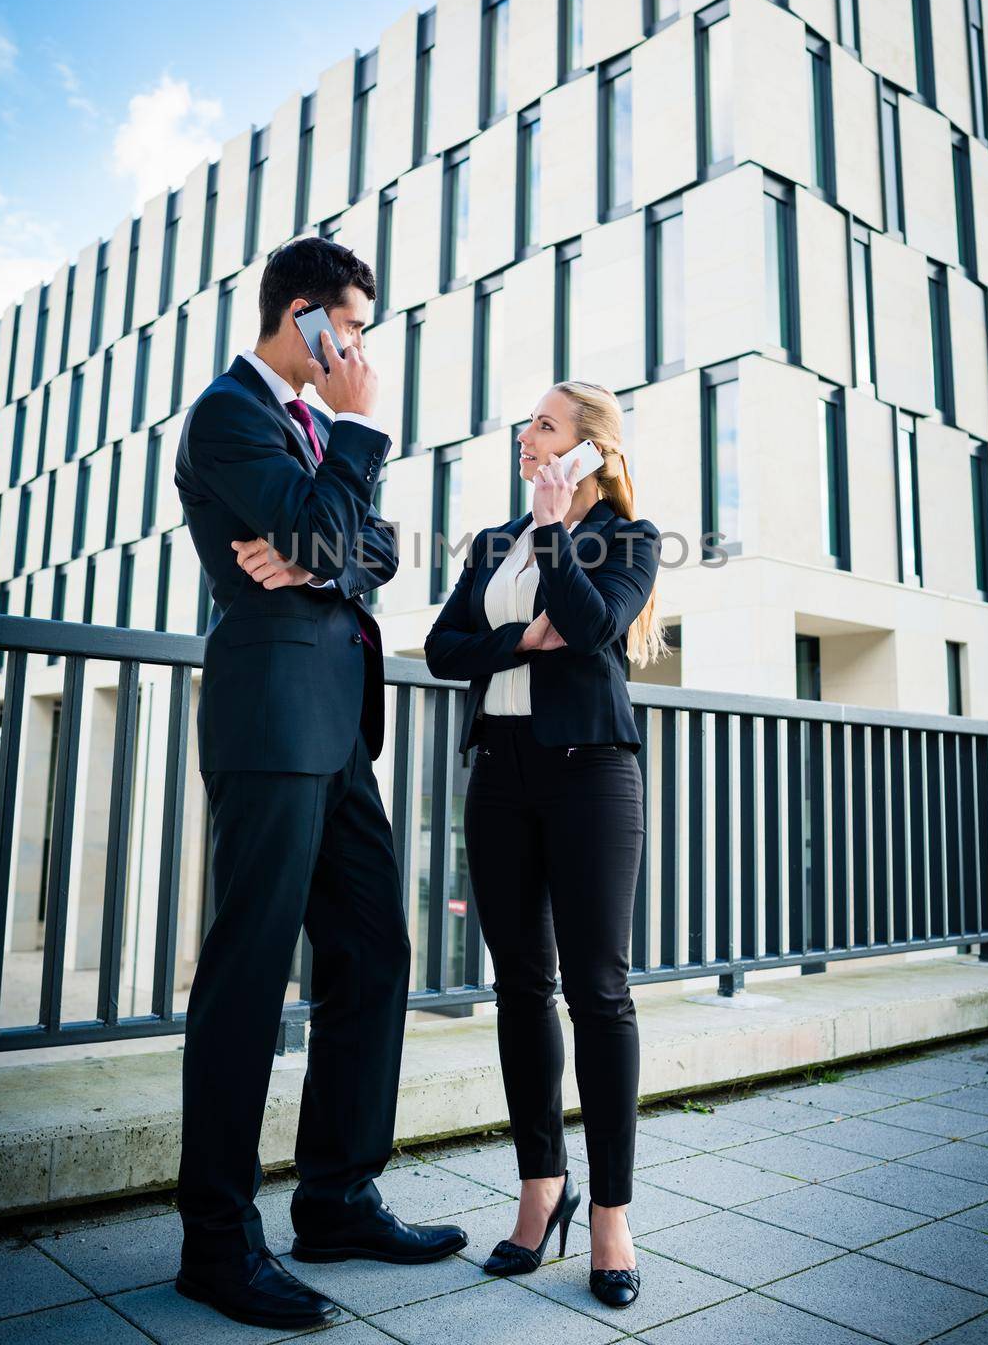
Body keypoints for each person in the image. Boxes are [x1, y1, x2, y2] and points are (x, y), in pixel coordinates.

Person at [173, 236, 466, 1333]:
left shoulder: (298, 430)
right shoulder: (229, 415)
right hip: (269, 719)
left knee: (373, 951)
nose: (356, 349)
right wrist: (351, 448)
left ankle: (337, 1197)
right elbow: (325, 523)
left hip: (340, 726)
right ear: (304, 317)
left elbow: (369, 544)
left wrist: (323, 545)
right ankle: (217, 1241)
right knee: (249, 972)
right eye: (348, 326)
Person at [423, 380, 666, 1311]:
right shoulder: (492, 545)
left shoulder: (628, 542)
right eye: (528, 424)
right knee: (519, 985)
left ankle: (610, 1213)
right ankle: (540, 1191)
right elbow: (445, 648)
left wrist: (557, 529)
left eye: (544, 425)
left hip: (591, 772)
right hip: (502, 775)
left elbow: (597, 624)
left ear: (588, 449)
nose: (526, 435)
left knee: (598, 990)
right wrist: (521, 640)